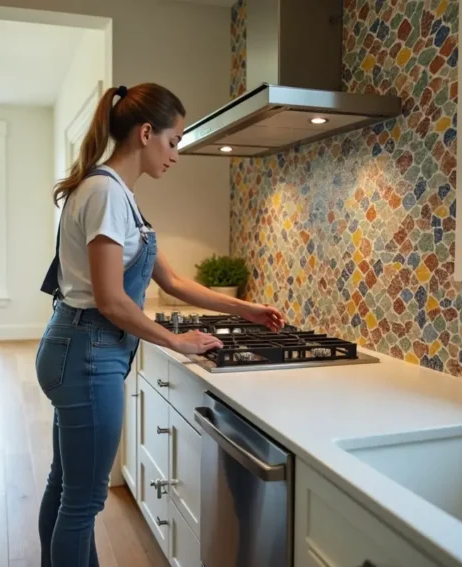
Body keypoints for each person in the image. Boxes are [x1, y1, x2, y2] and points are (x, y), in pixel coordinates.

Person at [35, 82, 286, 567]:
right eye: (174, 142)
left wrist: (245, 309)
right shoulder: (107, 193)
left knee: (65, 487)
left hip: (74, 347)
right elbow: (110, 299)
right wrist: (178, 341)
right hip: (88, 353)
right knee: (82, 502)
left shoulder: (116, 193)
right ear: (146, 133)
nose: (176, 154)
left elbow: (170, 280)